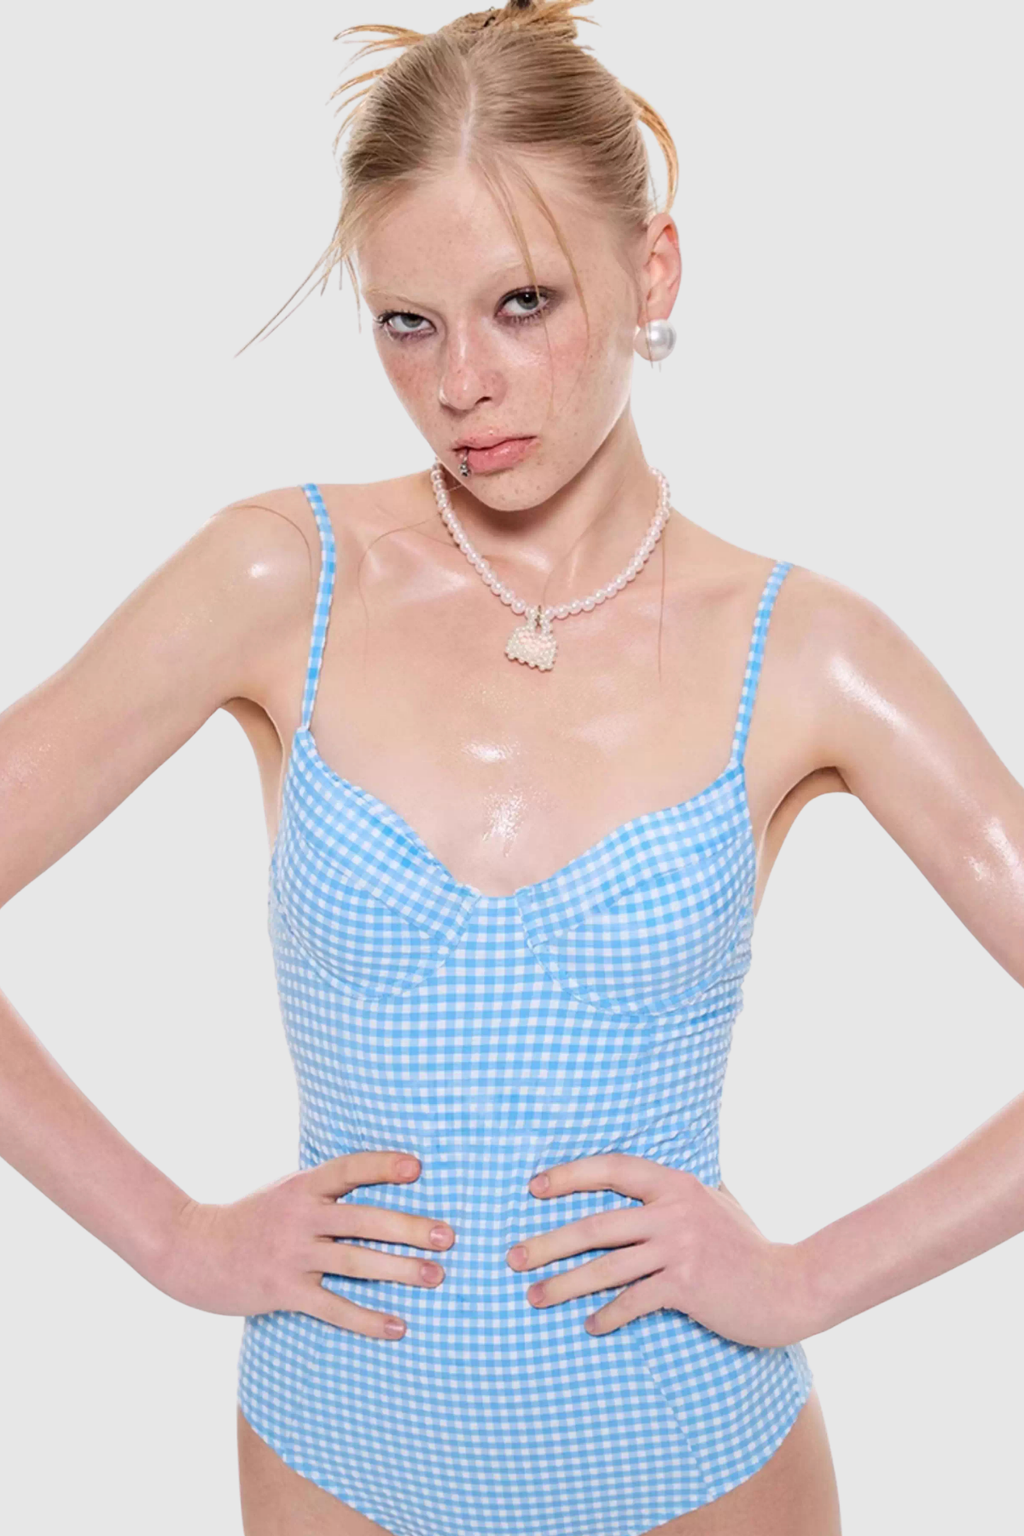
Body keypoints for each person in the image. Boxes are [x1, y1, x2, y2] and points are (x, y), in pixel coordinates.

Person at [2, 1, 1023, 1532]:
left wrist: (806, 1276)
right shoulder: (281, 577)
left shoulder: (802, 652)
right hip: (332, 1446)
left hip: (700, 1461)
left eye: (524, 302)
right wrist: (168, 1238)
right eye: (408, 322)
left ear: (652, 271)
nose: (461, 383)